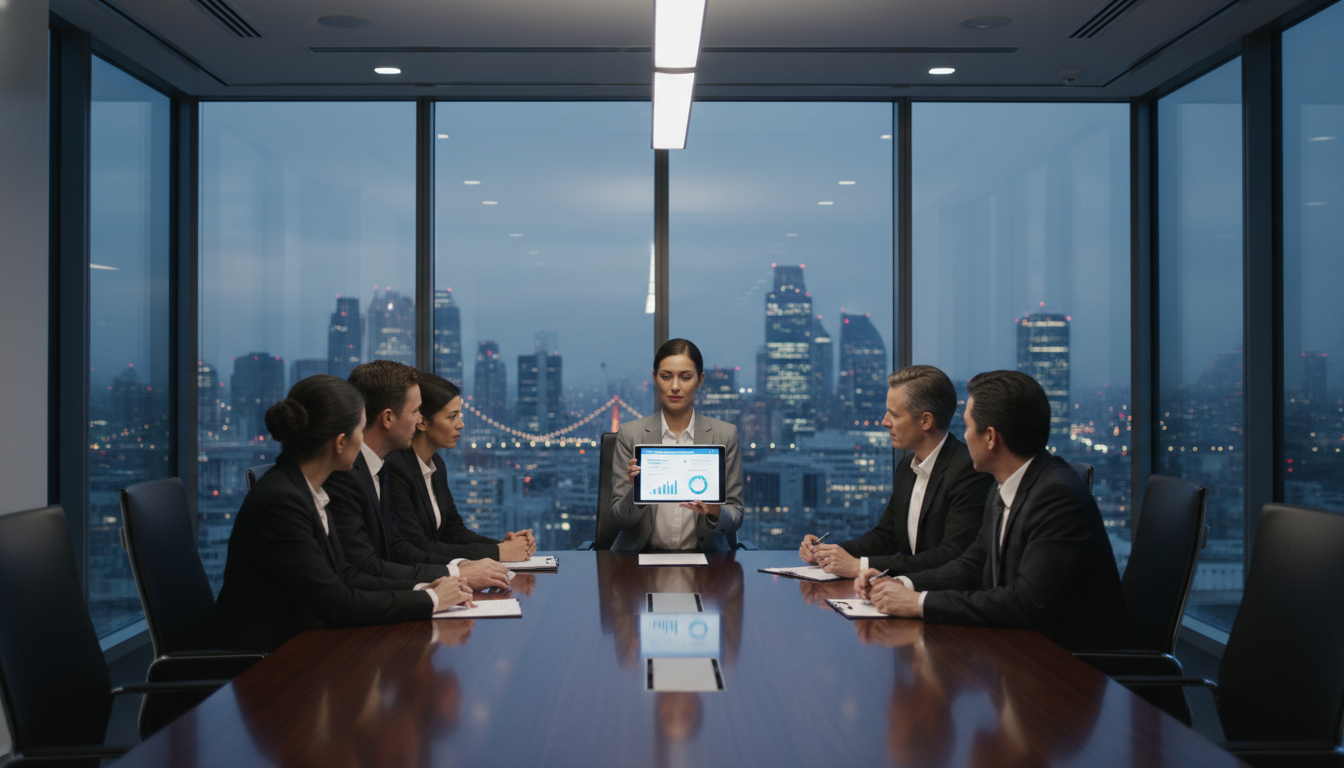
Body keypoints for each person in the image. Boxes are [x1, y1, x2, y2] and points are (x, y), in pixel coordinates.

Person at [855, 370, 1133, 652]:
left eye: (966, 427)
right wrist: (899, 583)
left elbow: (1025, 603)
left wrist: (918, 603)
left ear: (990, 438)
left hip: (1071, 669)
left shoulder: (1056, 496)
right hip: (1017, 650)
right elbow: (972, 565)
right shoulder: (1005, 485)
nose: (961, 438)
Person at [209, 374, 473, 652]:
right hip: (264, 663)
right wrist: (431, 599)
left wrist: (424, 588)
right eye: (361, 430)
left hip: (302, 643)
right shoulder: (283, 501)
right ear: (339, 443)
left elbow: (346, 576)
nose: (364, 443)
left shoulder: (307, 489)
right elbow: (338, 604)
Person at [325, 360, 511, 592]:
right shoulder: (348, 474)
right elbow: (364, 568)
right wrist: (456, 575)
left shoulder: (377, 467)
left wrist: (465, 566)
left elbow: (397, 547)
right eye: (415, 412)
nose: (419, 419)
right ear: (388, 417)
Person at [797, 365, 993, 578]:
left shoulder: (969, 471)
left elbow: (952, 556)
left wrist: (860, 567)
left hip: (940, 600)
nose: (884, 422)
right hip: (903, 594)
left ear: (926, 420)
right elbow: (886, 536)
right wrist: (828, 553)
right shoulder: (907, 466)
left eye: (894, 414)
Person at [385, 373, 537, 563]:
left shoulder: (437, 464)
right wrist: (498, 552)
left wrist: (501, 546)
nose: (461, 425)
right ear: (422, 421)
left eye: (459, 415)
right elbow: (416, 546)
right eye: (452, 417)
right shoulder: (395, 468)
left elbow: (454, 532)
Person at [609, 338, 743, 552]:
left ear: (700, 380)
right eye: (666, 377)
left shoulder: (724, 435)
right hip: (637, 562)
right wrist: (637, 493)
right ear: (655, 378)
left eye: (685, 377)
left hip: (707, 564)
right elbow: (618, 520)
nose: (674, 387)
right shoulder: (631, 434)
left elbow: (735, 516)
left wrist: (714, 511)